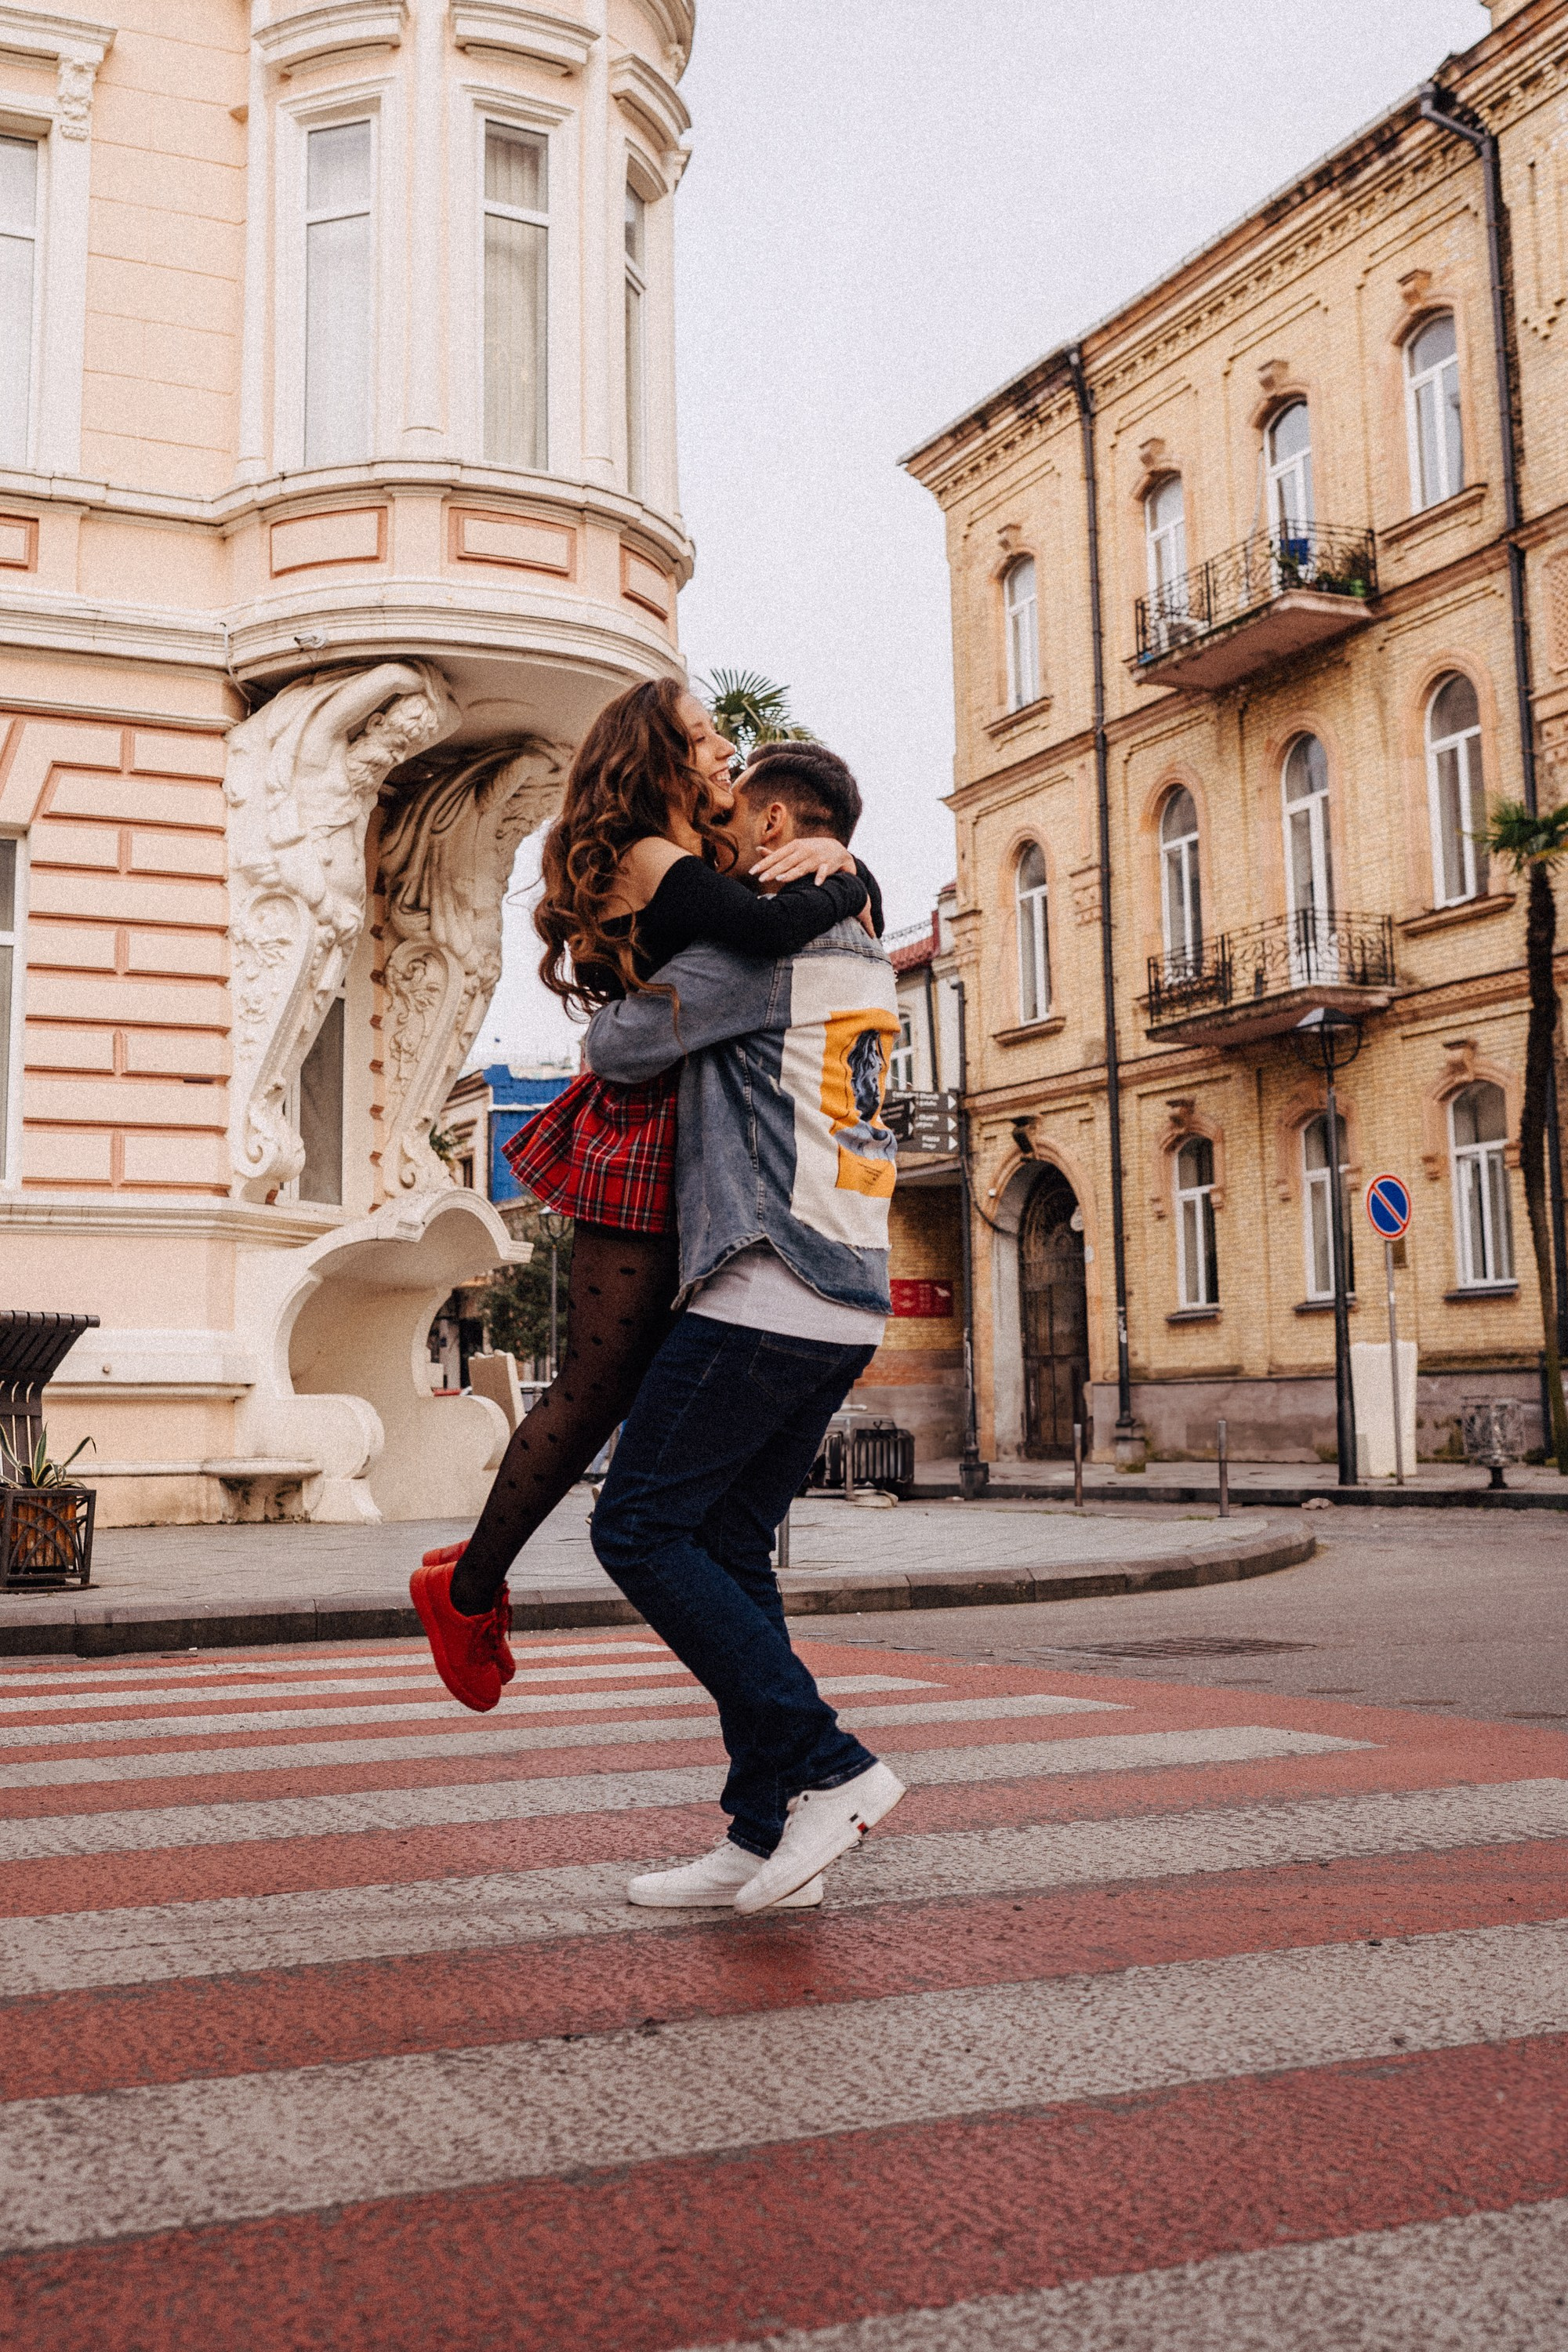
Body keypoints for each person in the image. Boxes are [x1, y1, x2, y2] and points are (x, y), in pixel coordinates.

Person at [410, 677, 881, 1710]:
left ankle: (478, 1574)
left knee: (643, 1385)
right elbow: (764, 938)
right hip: (644, 1124)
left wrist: (839, 860)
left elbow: (764, 918)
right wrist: (850, 878)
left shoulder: (691, 857)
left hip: (696, 1123)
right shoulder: (645, 856)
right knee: (596, 1385)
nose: (723, 750)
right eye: (704, 737)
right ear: (655, 757)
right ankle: (470, 1589)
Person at [577, 786, 907, 1916]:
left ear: (772, 826)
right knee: (725, 1540)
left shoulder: (759, 955)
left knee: (637, 1526)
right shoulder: (863, 945)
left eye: (734, 809)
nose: (717, 832)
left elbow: (618, 1047)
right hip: (849, 1294)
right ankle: (764, 1831)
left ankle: (831, 1767)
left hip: (769, 1279)